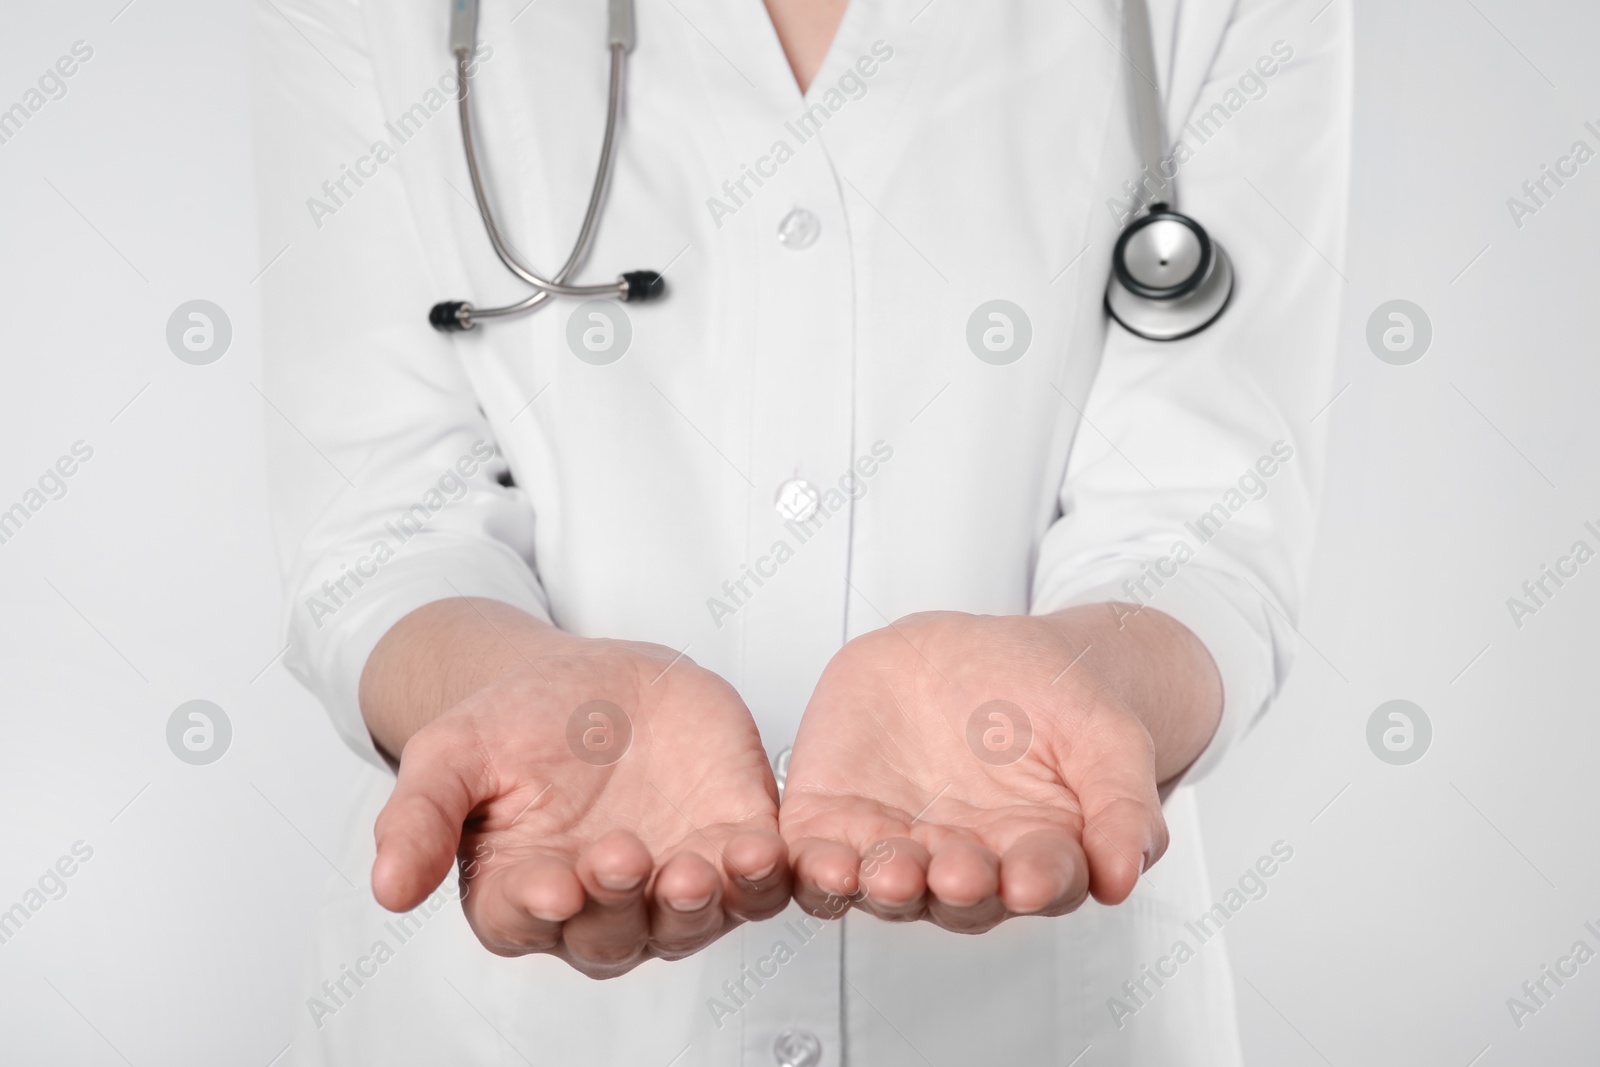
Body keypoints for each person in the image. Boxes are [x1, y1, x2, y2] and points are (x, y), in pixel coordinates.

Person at [252, 0, 1349, 1062]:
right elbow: (385, 519)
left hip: (1035, 1012)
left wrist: (1095, 676)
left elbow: (1202, 519)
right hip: (511, 1023)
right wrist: (495, 681)